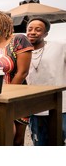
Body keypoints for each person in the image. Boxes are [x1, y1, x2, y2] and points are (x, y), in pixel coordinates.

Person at [0, 10, 33, 146]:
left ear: (3, 21)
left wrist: (7, 97)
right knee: (1, 138)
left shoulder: (19, 39)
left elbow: (22, 73)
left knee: (17, 140)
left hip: (18, 97)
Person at [25, 17, 66, 146]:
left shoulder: (60, 47)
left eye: (38, 30)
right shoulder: (22, 53)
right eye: (30, 29)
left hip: (60, 106)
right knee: (39, 144)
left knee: (59, 142)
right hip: (35, 107)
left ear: (45, 34)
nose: (32, 32)